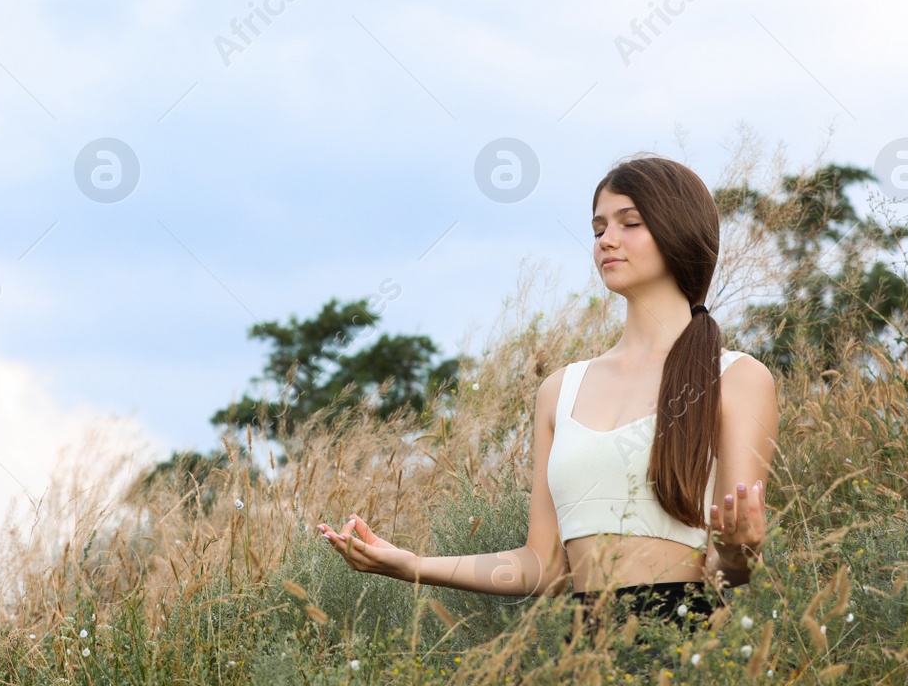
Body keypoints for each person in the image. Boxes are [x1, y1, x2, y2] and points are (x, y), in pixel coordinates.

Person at [319, 154, 780, 630]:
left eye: (630, 222)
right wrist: (412, 565)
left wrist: (736, 553)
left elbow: (728, 569)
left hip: (690, 646)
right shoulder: (561, 389)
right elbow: (542, 567)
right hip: (581, 661)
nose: (607, 240)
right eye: (598, 228)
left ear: (679, 231)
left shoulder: (737, 378)